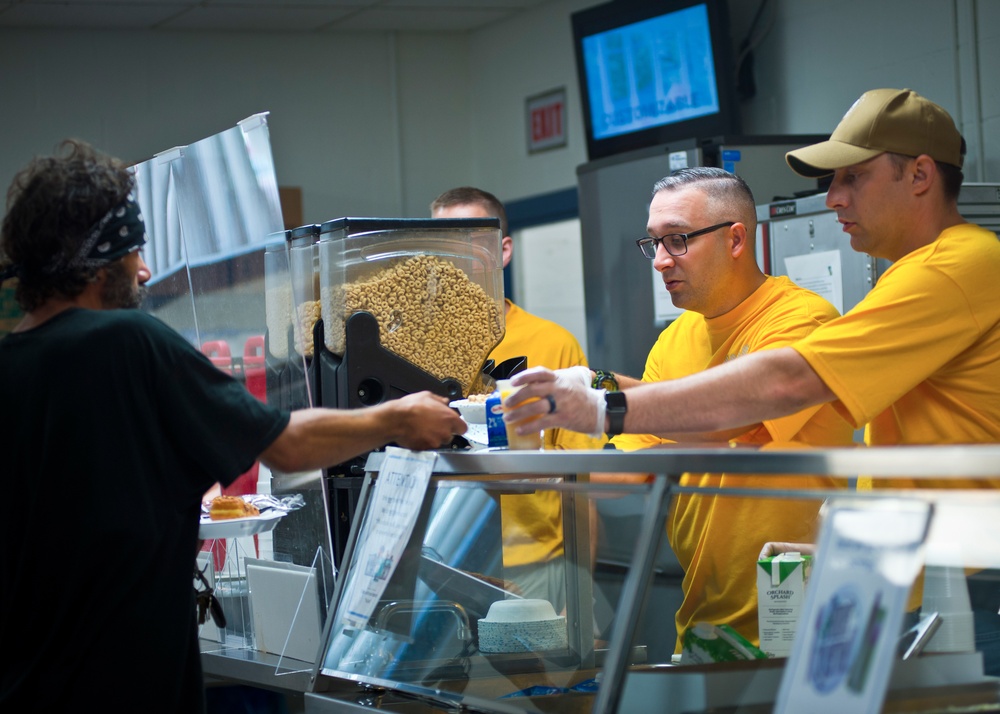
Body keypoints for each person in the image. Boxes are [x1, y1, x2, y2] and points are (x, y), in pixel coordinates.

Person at [503, 88, 1000, 672]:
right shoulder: (909, 277)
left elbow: (784, 384)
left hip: (965, 585)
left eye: (852, 178)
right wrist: (578, 412)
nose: (833, 197)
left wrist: (605, 405)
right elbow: (650, 458)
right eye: (654, 243)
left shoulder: (957, 265)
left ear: (919, 175)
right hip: (905, 583)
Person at [0, 139, 467, 712]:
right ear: (97, 258)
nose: (144, 269)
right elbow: (287, 447)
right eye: (133, 251)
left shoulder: (11, 363)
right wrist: (398, 415)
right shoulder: (128, 342)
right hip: (123, 686)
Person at [572, 167, 854, 652]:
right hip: (704, 622)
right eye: (654, 243)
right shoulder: (674, 340)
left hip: (794, 617)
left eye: (677, 240)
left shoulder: (799, 321)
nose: (660, 261)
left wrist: (601, 392)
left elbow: (725, 424)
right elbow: (624, 474)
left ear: (736, 239)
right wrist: (515, 451)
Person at [431, 186, 603, 613]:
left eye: (467, 243)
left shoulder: (553, 344)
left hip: (537, 564)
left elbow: (581, 482)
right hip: (442, 557)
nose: (453, 259)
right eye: (441, 245)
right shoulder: (415, 347)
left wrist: (578, 596)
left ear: (503, 250)